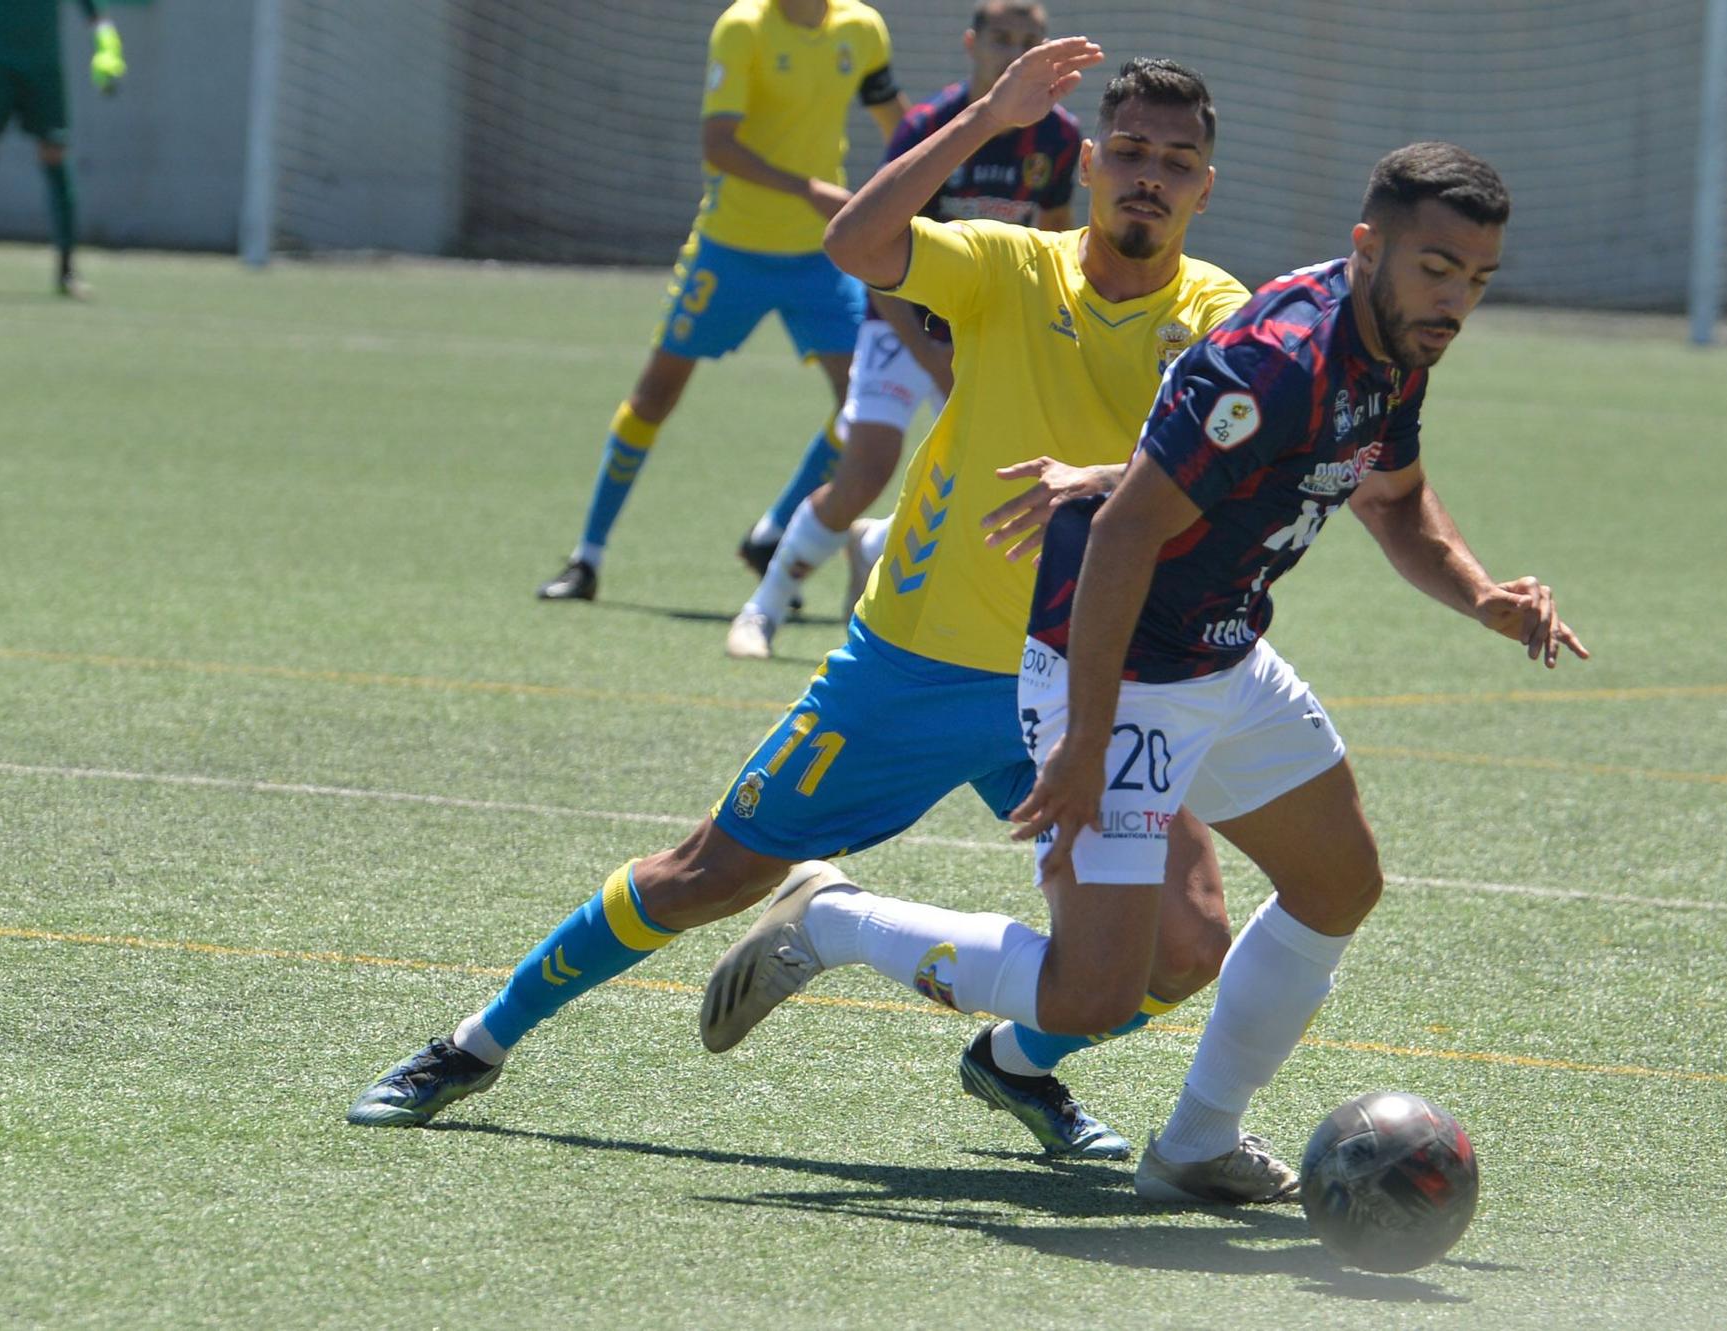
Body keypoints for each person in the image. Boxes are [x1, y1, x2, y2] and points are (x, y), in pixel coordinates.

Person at [348, 43, 1250, 1163]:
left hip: (1083, 678)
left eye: (1176, 159)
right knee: (709, 875)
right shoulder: (1009, 266)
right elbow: (856, 246)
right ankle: (471, 1045)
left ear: (1205, 188)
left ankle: (1014, 1062)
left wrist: (1100, 481)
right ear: (1087, 169)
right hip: (919, 660)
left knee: (1187, 939)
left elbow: (1224, 473)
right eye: (1126, 152)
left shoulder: (1220, 313)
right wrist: (979, 120)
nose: (1148, 175)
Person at [702, 142, 1589, 1203]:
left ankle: (1194, 1143)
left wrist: (1480, 591)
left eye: (1476, 280)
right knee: (1089, 992)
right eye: (1435, 268)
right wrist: (1082, 737)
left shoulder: (1394, 345)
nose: (1454, 301)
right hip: (1118, 668)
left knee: (1338, 879)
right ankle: (836, 918)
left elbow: (1392, 499)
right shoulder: (1276, 362)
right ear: (1367, 246)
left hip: (1219, 648)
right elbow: (1120, 535)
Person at [724, 0, 1082, 660]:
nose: (1013, 50)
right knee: (866, 470)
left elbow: (1055, 243)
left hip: (982, 332)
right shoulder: (929, 126)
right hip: (899, 320)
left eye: (1029, 39)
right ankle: (762, 607)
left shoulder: (1059, 138)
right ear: (971, 44)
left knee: (995, 486)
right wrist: (925, 351)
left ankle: (875, 544)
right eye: (1001, 37)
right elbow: (874, 243)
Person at [534, 0, 905, 603]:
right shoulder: (743, 27)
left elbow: (900, 126)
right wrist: (808, 189)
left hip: (820, 257)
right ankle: (587, 559)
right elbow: (719, 146)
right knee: (655, 395)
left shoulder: (862, 30)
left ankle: (772, 534)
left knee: (859, 402)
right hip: (731, 251)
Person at [0, 0, 124, 296]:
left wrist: (108, 46)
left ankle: (66, 271)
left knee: (55, 154)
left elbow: (94, 10)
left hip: (43, 65)